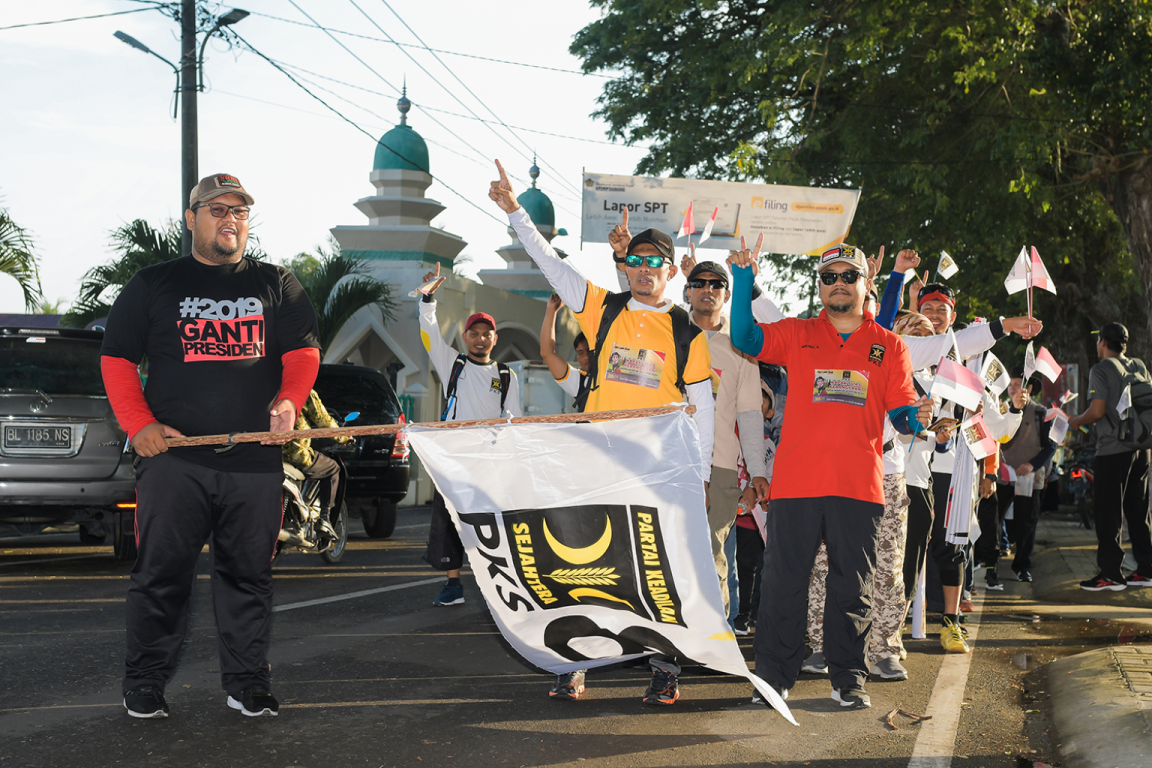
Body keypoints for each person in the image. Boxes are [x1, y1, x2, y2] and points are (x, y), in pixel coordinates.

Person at [490, 159, 714, 707]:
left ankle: (665, 670)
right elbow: (549, 265)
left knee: (658, 576)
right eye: (635, 261)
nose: (643, 269)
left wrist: (699, 476)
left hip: (656, 474)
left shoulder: (686, 330)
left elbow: (703, 409)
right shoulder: (602, 308)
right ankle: (574, 664)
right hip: (594, 467)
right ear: (627, 267)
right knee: (583, 567)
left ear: (669, 272)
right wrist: (515, 211)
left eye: (654, 263)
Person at [101, 173, 321, 719]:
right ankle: (145, 682)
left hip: (254, 461)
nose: (230, 220)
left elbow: (302, 354)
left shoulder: (278, 283)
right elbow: (117, 358)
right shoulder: (154, 284)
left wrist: (290, 402)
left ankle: (247, 684)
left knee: (248, 577)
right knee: (160, 576)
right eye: (217, 209)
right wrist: (138, 424)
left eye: (240, 212)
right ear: (191, 217)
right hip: (174, 460)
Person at [728, 240, 931, 711]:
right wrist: (741, 281)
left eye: (848, 276)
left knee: (851, 587)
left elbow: (902, 413)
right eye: (828, 277)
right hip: (796, 486)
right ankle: (774, 678)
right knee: (783, 584)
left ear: (865, 285)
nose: (838, 284)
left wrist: (916, 419)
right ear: (820, 286)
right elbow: (745, 338)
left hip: (858, 487)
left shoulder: (890, 345)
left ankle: (848, 679)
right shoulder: (798, 332)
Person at [417, 263, 521, 607]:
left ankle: (500, 588)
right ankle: (453, 584)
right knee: (448, 521)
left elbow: (514, 420)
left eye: (486, 333)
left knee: (489, 525)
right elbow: (429, 331)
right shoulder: (453, 364)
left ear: (495, 338)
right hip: (453, 459)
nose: (480, 338)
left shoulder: (506, 376)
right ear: (466, 337)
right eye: (474, 333)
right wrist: (427, 298)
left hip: (489, 462)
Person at [683, 259, 769, 615]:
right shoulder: (671, 331)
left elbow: (750, 415)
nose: (707, 289)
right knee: (664, 551)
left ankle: (716, 641)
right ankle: (669, 643)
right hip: (668, 461)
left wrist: (758, 471)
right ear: (688, 291)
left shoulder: (740, 347)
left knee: (712, 551)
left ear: (727, 294)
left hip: (720, 466)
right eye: (699, 283)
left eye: (716, 284)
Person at [1069, 323, 1152, 591]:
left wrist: (1074, 420)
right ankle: (1146, 569)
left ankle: (1110, 574)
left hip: (1113, 449)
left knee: (1108, 511)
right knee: (1138, 510)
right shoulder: (1138, 365)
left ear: (1103, 342)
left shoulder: (1101, 369)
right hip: (1141, 448)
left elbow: (1096, 411)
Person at [992, 371, 1055, 583]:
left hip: (1029, 477)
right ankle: (990, 563)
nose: (1012, 387)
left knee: (1026, 522)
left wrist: (1033, 465)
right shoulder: (999, 410)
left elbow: (1050, 446)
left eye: (1018, 384)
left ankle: (1022, 566)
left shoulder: (1041, 412)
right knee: (993, 519)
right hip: (1002, 476)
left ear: (1028, 389)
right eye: (1010, 384)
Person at [733, 375, 778, 634]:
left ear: (770, 411)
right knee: (736, 565)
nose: (752, 404)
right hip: (733, 518)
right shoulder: (728, 434)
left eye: (760, 400)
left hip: (755, 520)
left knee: (754, 566)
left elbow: (770, 477)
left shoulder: (768, 445)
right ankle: (738, 611)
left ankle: (751, 613)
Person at [282, 389, 355, 539]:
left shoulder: (265, 388)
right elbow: (323, 420)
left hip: (267, 454)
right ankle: (325, 519)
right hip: (296, 455)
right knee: (333, 468)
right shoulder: (303, 391)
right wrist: (344, 437)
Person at [539, 294, 590, 408]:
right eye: (580, 353)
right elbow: (547, 353)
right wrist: (551, 311)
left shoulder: (619, 373)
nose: (586, 357)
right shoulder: (579, 381)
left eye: (590, 350)